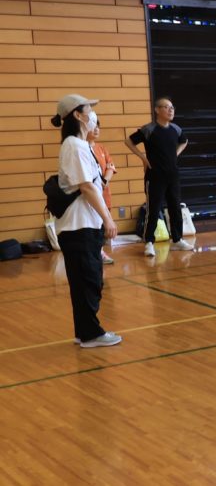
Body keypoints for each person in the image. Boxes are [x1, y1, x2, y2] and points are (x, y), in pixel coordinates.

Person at [50, 94, 121, 348]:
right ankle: (91, 334)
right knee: (87, 281)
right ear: (77, 115)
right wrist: (108, 219)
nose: (93, 115)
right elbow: (87, 187)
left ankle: (85, 331)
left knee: (88, 280)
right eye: (89, 110)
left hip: (85, 225)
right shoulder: (74, 146)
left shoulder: (81, 145)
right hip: (78, 226)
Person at [125, 97, 192, 256]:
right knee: (153, 209)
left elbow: (184, 141)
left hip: (173, 175)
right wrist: (143, 157)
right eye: (166, 107)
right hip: (155, 176)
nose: (171, 110)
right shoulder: (149, 129)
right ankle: (149, 242)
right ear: (157, 110)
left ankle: (177, 240)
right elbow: (128, 141)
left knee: (175, 208)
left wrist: (176, 153)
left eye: (172, 107)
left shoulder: (176, 129)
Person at [87, 118, 117, 265]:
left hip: (104, 193)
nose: (96, 129)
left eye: (98, 127)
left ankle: (99, 250)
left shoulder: (102, 148)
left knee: (103, 225)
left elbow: (111, 166)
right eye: (93, 127)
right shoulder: (82, 149)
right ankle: (97, 252)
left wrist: (105, 180)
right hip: (91, 194)